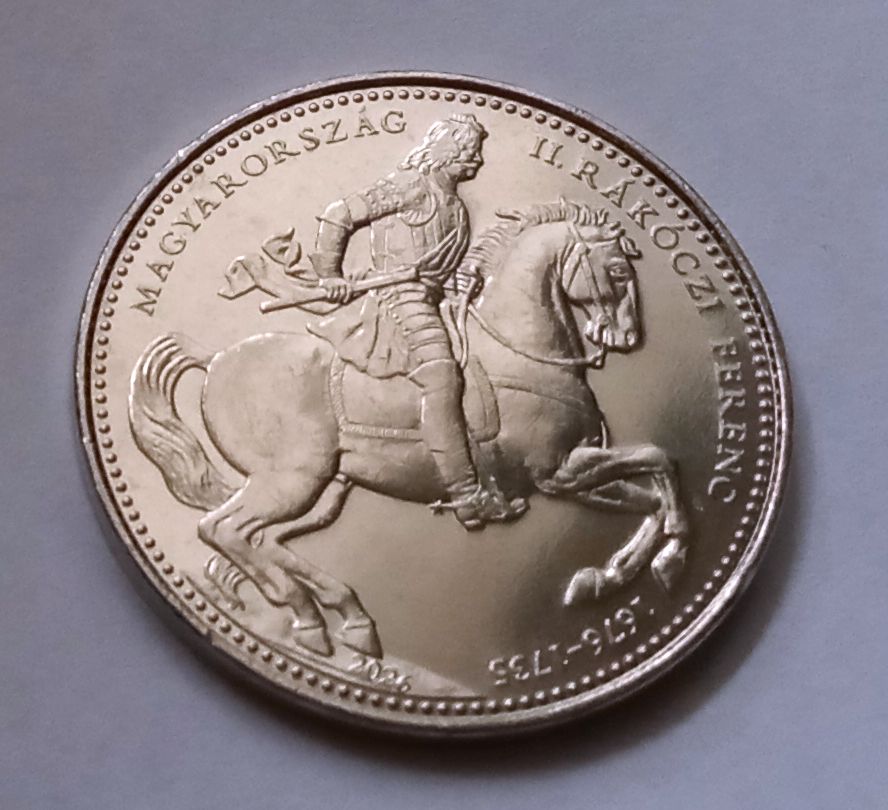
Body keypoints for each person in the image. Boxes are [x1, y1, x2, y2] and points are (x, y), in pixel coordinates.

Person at [307, 113, 524, 529]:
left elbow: (436, 267)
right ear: (447, 150)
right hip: (398, 301)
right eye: (470, 151)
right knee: (441, 378)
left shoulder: (455, 206)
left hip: (434, 300)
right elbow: (339, 214)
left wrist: (460, 280)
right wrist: (330, 275)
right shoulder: (410, 186)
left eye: (476, 152)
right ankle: (466, 495)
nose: (478, 160)